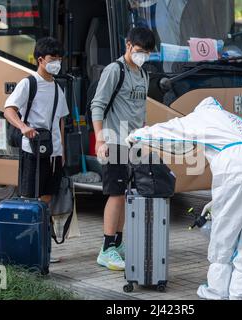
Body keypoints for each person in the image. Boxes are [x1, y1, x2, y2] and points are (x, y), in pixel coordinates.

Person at [126, 97, 242, 300]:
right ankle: (241, 292)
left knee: (225, 231)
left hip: (237, 165)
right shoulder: (236, 120)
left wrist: (137, 135)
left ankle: (217, 290)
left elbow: (173, 129)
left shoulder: (204, 116)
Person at [91, 27, 156, 271]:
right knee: (115, 194)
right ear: (128, 45)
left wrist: (144, 132)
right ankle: (106, 248)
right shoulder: (114, 70)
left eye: (147, 53)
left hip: (133, 143)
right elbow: (97, 105)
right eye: (139, 51)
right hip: (114, 140)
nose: (143, 56)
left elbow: (140, 109)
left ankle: (118, 244)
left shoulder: (143, 74)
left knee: (126, 195)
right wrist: (100, 139)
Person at [4, 37, 69, 204]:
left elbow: (60, 120)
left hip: (53, 152)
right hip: (32, 149)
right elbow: (9, 110)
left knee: (47, 195)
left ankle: (44, 228)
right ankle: (31, 229)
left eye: (59, 59)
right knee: (30, 196)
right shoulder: (28, 83)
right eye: (53, 59)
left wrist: (62, 150)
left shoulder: (58, 88)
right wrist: (23, 126)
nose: (57, 63)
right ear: (40, 60)